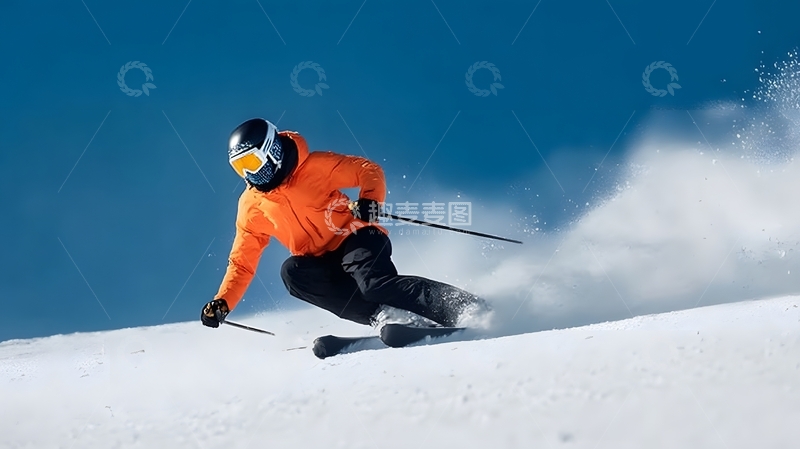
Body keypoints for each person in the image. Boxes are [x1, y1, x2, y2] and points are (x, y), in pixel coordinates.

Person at [201, 118, 486, 330]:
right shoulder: (251, 206)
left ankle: (460, 306)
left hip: (355, 237)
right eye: (240, 167)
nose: (250, 173)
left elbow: (367, 170)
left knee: (374, 284)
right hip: (318, 261)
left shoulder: (313, 167)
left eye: (251, 161)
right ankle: (382, 316)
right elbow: (243, 262)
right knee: (292, 273)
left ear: (272, 151)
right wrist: (223, 302)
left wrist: (370, 201)